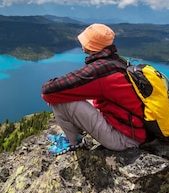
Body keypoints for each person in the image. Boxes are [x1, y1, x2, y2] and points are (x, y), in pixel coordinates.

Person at [41, 23, 145, 155]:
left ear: (90, 45)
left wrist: (57, 96)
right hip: (133, 129)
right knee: (64, 94)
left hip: (123, 139)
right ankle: (74, 134)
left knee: (60, 100)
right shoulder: (117, 62)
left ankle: (72, 142)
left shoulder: (99, 70)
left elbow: (48, 90)